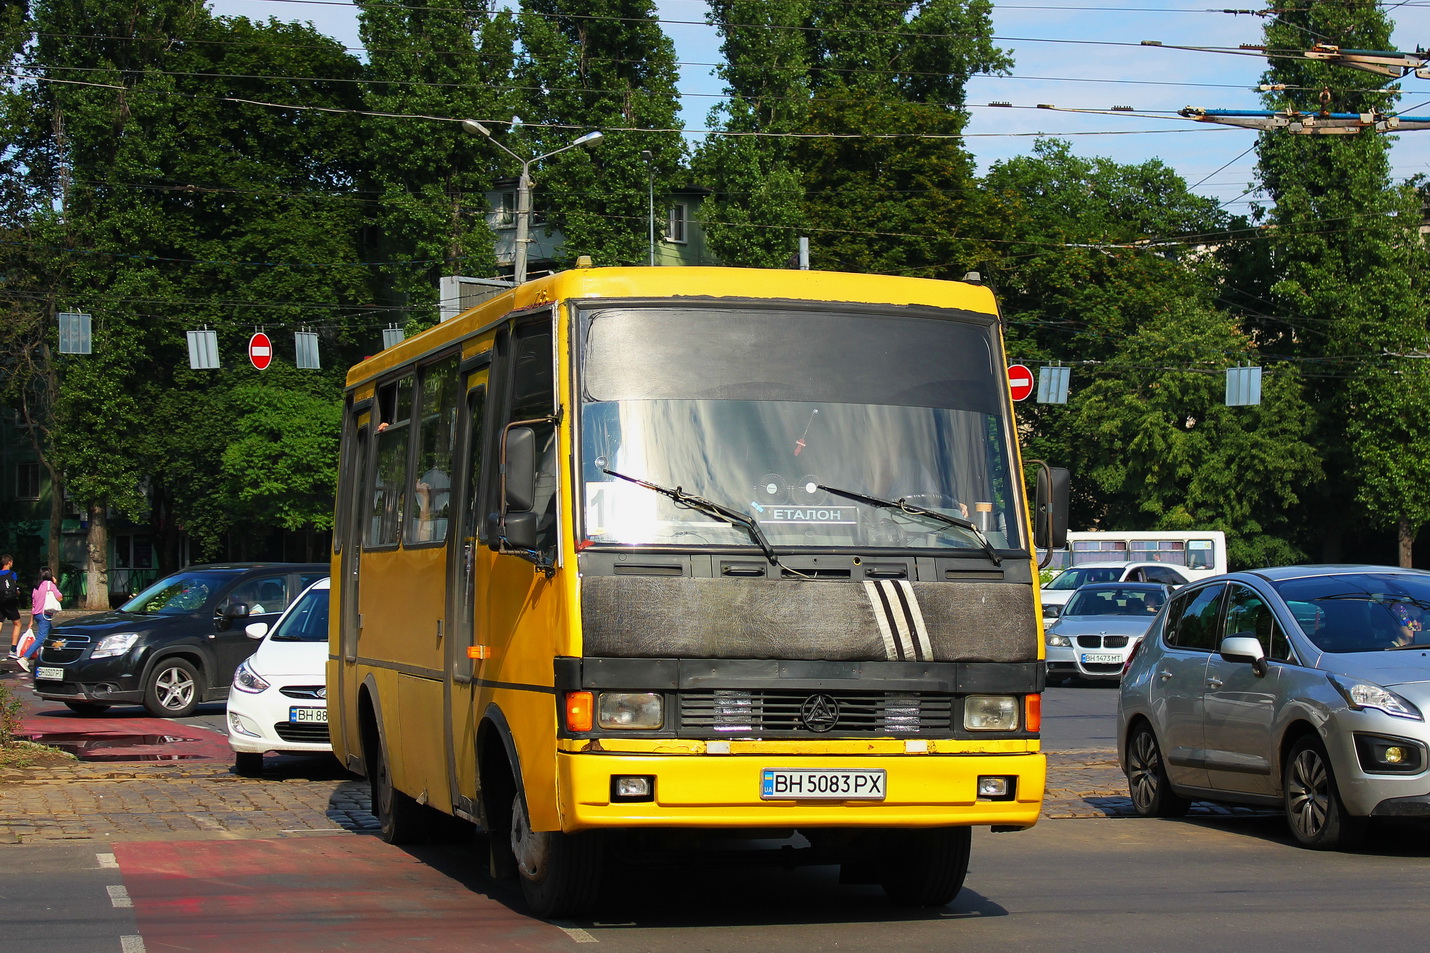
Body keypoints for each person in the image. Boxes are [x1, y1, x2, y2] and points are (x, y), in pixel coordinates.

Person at [21, 568, 62, 673]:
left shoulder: (36, 586)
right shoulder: (50, 585)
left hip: (37, 615)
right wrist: (55, 584)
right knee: (41, 639)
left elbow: (33, 605)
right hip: (45, 615)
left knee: (52, 635)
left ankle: (51, 656)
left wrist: (31, 620)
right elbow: (60, 597)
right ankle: (24, 658)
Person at [0, 554, 21, 659]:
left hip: (0, 602)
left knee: (0, 623)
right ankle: (13, 650)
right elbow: (15, 589)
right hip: (9, 602)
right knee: (17, 624)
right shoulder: (12, 574)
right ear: (9, 562)